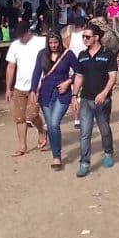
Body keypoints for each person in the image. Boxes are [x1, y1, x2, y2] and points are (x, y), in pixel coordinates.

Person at [73, 24, 117, 177]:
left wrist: (104, 93)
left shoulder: (108, 54)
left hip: (102, 101)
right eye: (83, 37)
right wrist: (74, 96)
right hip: (86, 99)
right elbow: (79, 77)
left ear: (96, 37)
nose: (84, 39)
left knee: (104, 129)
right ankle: (84, 163)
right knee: (85, 133)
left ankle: (108, 153)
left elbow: (113, 77)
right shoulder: (82, 55)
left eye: (87, 36)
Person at [33, 32, 78, 171]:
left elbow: (79, 72)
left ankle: (57, 157)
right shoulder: (42, 54)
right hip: (46, 94)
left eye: (55, 43)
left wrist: (68, 82)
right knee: (51, 126)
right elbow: (36, 73)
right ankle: (55, 154)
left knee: (53, 123)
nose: (53, 45)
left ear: (60, 42)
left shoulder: (68, 55)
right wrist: (32, 91)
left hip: (62, 94)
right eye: (50, 43)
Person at [5, 28, 48, 157]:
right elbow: (11, 66)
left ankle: (41, 131)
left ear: (28, 32)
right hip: (19, 87)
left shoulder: (41, 41)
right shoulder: (15, 45)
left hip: (37, 86)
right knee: (19, 117)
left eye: (22, 35)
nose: (21, 38)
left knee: (32, 115)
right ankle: (22, 146)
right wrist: (8, 88)